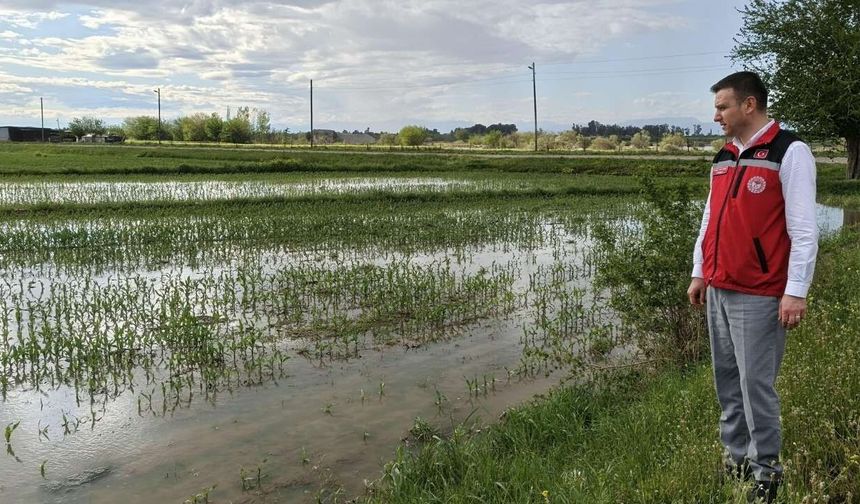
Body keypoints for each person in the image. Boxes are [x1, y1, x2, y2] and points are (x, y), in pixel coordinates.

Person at [687, 71, 818, 503]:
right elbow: (711, 219)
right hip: (719, 287)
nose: (716, 115)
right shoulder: (723, 156)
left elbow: (803, 229)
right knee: (727, 381)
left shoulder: (789, 151)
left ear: (748, 105)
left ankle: (767, 473)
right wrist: (699, 270)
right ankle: (736, 460)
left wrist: (795, 290)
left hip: (760, 292)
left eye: (722, 106)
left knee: (755, 385)